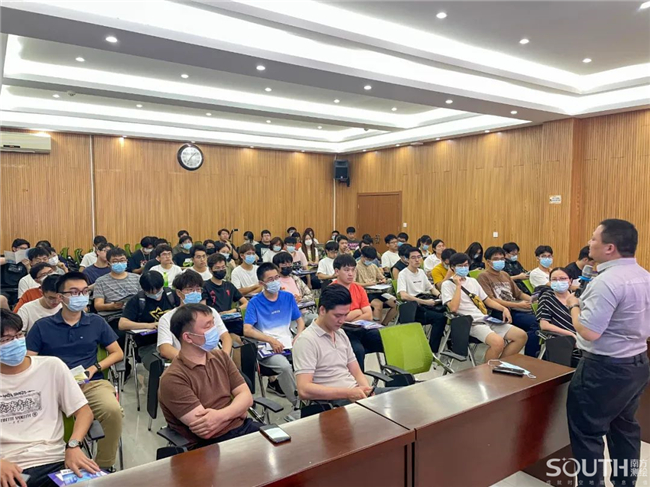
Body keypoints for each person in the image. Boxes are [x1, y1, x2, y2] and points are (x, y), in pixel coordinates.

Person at [565, 219, 650, 487]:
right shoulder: (644, 276)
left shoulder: (607, 282)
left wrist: (574, 306)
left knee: (587, 434)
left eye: (593, 238)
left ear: (609, 247)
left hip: (603, 369)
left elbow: (589, 332)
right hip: (637, 363)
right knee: (625, 429)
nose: (590, 243)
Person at [26, 272, 124, 471]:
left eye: (84, 291)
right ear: (60, 297)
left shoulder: (96, 322)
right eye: (74, 292)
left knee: (112, 411)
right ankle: (52, 464)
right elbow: (29, 361)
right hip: (52, 388)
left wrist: (93, 368)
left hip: (90, 383)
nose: (80, 296)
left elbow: (117, 353)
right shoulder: (42, 326)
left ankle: (103, 466)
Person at [1, 309, 100, 487]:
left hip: (53, 460)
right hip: (7, 466)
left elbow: (84, 412)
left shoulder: (51, 366)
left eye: (18, 335)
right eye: (5, 340)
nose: (15, 343)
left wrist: (73, 445)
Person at [158, 304, 261, 446]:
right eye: (208, 326)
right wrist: (238, 410)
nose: (215, 330)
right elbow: (207, 431)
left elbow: (247, 397)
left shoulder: (220, 356)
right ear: (188, 337)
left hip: (244, 429)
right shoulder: (173, 378)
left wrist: (220, 416)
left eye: (213, 323)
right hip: (210, 446)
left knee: (284, 444)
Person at [293, 284, 378, 405]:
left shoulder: (340, 333)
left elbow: (357, 372)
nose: (342, 320)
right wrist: (348, 393)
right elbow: (304, 390)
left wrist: (367, 392)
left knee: (399, 397)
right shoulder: (306, 341)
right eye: (337, 315)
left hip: (354, 394)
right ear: (322, 310)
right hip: (333, 401)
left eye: (345, 315)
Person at [441, 253, 526, 361]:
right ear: (452, 267)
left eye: (466, 265)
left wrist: (503, 308)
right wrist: (458, 286)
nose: (464, 268)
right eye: (460, 266)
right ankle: (488, 370)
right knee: (498, 342)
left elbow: (487, 300)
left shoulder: (472, 281)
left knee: (521, 335)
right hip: (469, 322)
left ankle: (499, 364)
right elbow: (453, 308)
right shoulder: (447, 285)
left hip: (484, 318)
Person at [243, 263, 304, 405]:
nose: (275, 281)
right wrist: (270, 340)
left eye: (277, 277)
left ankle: (314, 396)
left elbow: (300, 321)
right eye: (270, 279)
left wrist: (299, 335)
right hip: (267, 348)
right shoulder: (255, 302)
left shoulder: (288, 297)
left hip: (288, 343)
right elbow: (247, 330)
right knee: (285, 367)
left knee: (311, 357)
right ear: (261, 283)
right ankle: (298, 404)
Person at [477, 247, 540, 357]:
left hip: (515, 308)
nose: (500, 261)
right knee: (535, 324)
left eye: (502, 259)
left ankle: (531, 354)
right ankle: (530, 356)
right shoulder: (483, 276)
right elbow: (491, 300)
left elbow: (519, 294)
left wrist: (532, 300)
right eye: (496, 259)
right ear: (488, 261)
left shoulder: (505, 274)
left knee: (541, 320)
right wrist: (518, 305)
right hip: (499, 312)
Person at [157, 270, 231, 361]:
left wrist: (224, 356)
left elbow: (225, 336)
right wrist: (193, 361)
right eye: (190, 290)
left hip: (214, 359)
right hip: (185, 362)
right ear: (179, 293)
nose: (195, 293)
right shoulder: (167, 318)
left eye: (198, 289)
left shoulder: (210, 311)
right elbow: (165, 349)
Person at [332, 254, 383, 371]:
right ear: (337, 271)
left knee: (388, 338)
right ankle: (358, 381)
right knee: (357, 351)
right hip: (342, 331)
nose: (351, 274)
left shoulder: (359, 289)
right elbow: (338, 319)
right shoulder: (332, 290)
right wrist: (358, 312)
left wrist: (351, 315)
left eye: (353, 270)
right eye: (346, 270)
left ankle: (396, 376)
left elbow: (369, 315)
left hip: (361, 328)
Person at [118, 271, 179, 362]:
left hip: (174, 341)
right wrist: (149, 325)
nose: (155, 293)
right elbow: (122, 324)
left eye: (157, 290)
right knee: (157, 364)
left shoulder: (172, 295)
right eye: (150, 291)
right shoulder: (137, 300)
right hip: (148, 345)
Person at [396, 247, 448, 352]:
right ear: (407, 260)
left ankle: (449, 342)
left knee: (447, 311)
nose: (417, 260)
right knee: (440, 318)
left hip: (424, 302)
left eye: (419, 257)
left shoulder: (421, 272)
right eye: (413, 257)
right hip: (413, 307)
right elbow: (403, 295)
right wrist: (425, 302)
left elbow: (431, 288)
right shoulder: (403, 274)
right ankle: (432, 350)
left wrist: (440, 296)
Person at [203, 253, 248, 337]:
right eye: (217, 268)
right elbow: (203, 309)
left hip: (230, 320)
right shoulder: (204, 286)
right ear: (210, 270)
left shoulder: (229, 285)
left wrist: (233, 311)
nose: (221, 270)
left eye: (223, 267)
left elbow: (246, 303)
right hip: (214, 322)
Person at [93, 248, 141, 318]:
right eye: (115, 261)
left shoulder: (137, 278)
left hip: (135, 314)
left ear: (126, 261)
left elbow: (143, 298)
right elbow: (98, 306)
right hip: (113, 316)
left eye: (122, 260)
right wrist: (112, 306)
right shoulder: (100, 281)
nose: (119, 263)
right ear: (108, 264)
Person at [273, 252, 318, 327]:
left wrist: (301, 299)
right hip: (288, 317)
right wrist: (291, 301)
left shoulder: (295, 279)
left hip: (304, 313)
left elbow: (310, 295)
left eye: (289, 263)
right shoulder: (274, 283)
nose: (287, 266)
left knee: (322, 323)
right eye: (284, 264)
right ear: (276, 266)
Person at [355, 246, 397, 325]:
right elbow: (353, 283)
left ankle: (384, 324)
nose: (369, 261)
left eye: (371, 260)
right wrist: (366, 284)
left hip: (378, 291)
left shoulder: (373, 266)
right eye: (368, 259)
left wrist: (383, 280)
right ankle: (376, 327)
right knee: (378, 304)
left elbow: (382, 277)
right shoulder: (356, 267)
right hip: (365, 293)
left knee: (396, 303)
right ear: (362, 256)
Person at [535, 268, 576, 337]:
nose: (558, 282)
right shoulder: (547, 297)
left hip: (583, 334)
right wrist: (571, 334)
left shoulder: (576, 296)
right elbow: (544, 325)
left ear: (570, 281)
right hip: (562, 337)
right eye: (554, 279)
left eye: (563, 279)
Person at [1, 238, 30, 306]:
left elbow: (32, 276)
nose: (23, 251)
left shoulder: (27, 261)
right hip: (4, 289)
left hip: (19, 289)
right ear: (14, 249)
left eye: (26, 249)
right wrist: (14, 258)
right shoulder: (5, 257)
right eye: (21, 248)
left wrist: (27, 266)